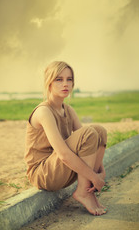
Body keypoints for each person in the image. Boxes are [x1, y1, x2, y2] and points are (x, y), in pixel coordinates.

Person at [25, 61, 107, 216]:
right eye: (59, 79)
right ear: (49, 83)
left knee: (99, 131)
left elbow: (92, 142)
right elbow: (63, 154)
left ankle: (87, 191)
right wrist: (93, 176)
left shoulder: (68, 110)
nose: (65, 84)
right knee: (88, 132)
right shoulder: (43, 111)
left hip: (60, 168)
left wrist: (101, 171)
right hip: (43, 173)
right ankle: (83, 192)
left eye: (69, 79)